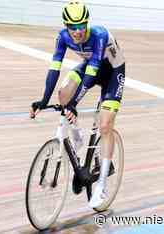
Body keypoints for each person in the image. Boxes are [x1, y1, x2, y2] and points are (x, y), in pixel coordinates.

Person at [29, 0, 125, 208]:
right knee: (63, 94)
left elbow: (91, 76)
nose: (78, 31)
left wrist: (74, 104)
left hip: (111, 72)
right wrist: (44, 100)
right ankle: (76, 135)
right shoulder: (62, 38)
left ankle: (101, 186)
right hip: (90, 65)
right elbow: (54, 68)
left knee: (106, 125)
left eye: (82, 25)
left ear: (87, 23)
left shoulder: (98, 35)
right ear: (66, 26)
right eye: (73, 27)